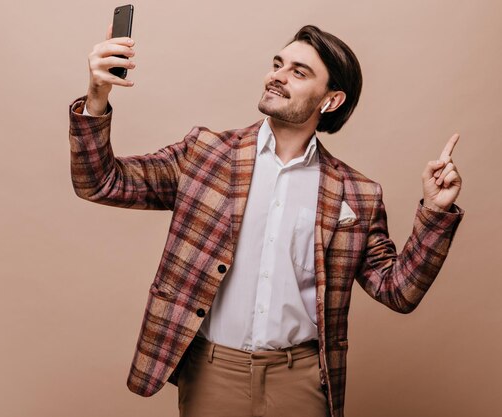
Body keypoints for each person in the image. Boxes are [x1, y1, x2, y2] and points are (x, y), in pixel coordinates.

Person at [68, 24, 464, 417]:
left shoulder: (356, 193)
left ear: (331, 100)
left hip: (303, 381)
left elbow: (398, 291)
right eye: (278, 64)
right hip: (211, 375)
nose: (276, 76)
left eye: (298, 71)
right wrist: (97, 97)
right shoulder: (205, 154)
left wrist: (435, 211)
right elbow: (101, 183)